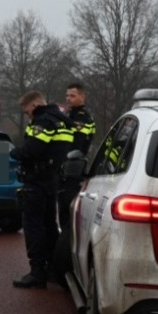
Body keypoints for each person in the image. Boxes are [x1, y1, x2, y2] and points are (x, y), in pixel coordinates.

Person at [11, 89, 73, 289]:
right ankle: (53, 269)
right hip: (52, 180)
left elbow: (31, 150)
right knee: (49, 225)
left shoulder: (43, 121)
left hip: (36, 181)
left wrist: (15, 152)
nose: (28, 115)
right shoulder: (63, 121)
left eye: (27, 111)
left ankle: (37, 272)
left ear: (35, 105)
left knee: (33, 226)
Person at [55, 80, 97, 247]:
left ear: (82, 97)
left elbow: (75, 146)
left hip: (72, 171)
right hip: (67, 170)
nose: (68, 99)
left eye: (72, 96)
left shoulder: (81, 118)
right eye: (67, 96)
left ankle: (66, 249)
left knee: (67, 215)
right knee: (63, 214)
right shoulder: (71, 115)